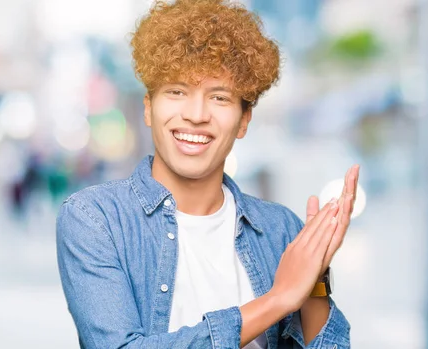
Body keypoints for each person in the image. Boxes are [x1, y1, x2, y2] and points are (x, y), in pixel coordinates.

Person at [56, 0, 360, 348]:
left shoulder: (280, 229)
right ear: (148, 108)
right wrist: (277, 299)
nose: (196, 114)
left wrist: (314, 279)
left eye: (219, 97)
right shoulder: (96, 219)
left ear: (244, 120)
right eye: (176, 92)